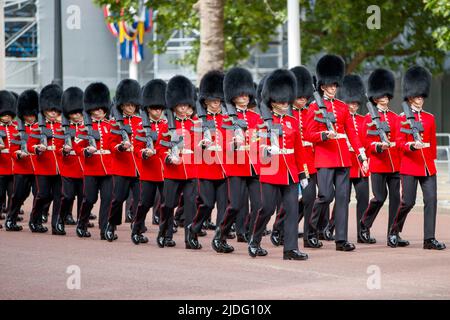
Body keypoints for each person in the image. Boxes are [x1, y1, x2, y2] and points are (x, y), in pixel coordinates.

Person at [305, 54, 368, 251]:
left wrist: (361, 155)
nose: (333, 88)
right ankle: (310, 231)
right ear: (323, 85)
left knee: (342, 198)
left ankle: (341, 239)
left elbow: (352, 134)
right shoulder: (314, 107)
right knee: (325, 196)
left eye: (335, 85)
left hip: (344, 159)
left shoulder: (342, 107)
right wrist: (324, 135)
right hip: (324, 158)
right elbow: (309, 133)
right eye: (330, 85)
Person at [248, 69, 309, 260]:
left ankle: (290, 249)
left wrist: (303, 174)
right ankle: (255, 240)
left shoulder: (291, 122)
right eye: (280, 101)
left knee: (291, 210)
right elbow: (255, 147)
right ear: (271, 100)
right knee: (266, 209)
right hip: (270, 171)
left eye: (286, 101)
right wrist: (265, 151)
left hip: (290, 172)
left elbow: (299, 150)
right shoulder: (262, 122)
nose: (284, 105)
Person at [389, 65, 446, 250]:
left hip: (427, 166)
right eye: (417, 96)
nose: (420, 99)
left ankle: (429, 239)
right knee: (408, 202)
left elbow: (432, 142)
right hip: (409, 165)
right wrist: (411, 145)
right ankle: (394, 231)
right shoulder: (401, 118)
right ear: (410, 96)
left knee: (431, 201)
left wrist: (432, 159)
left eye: (422, 96)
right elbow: (398, 142)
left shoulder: (429, 118)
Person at [212, 67, 263, 254]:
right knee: (234, 205)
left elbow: (263, 138)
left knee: (259, 206)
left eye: (246, 94)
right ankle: (221, 235)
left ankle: (254, 240)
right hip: (236, 166)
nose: (244, 97)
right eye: (240, 95)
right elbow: (222, 143)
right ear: (233, 97)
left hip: (255, 166)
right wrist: (233, 144)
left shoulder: (256, 117)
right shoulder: (226, 118)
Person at [359, 69, 403, 245]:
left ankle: (394, 233)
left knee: (396, 200)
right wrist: (378, 146)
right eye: (381, 95)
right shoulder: (369, 118)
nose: (385, 97)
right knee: (379, 197)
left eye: (386, 94)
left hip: (395, 164)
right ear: (375, 98)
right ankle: (364, 224)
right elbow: (366, 142)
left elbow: (400, 139)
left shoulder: (395, 117)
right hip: (378, 162)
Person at [187, 70, 229, 249]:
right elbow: (190, 144)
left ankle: (220, 238)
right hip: (205, 169)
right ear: (205, 101)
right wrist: (201, 144)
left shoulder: (227, 119)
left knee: (224, 206)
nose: (216, 104)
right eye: (212, 101)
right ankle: (193, 228)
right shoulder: (197, 120)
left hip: (224, 168)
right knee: (207, 204)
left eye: (218, 101)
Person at [157, 75, 199, 249]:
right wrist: (168, 157)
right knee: (168, 204)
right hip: (173, 170)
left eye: (186, 105)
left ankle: (191, 237)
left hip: (191, 170)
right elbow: (160, 148)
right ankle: (165, 233)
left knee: (191, 205)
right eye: (180, 105)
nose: (183, 108)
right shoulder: (166, 125)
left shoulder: (195, 123)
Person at [328, 74, 370, 242]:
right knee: (342, 200)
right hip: (345, 162)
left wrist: (365, 158)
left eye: (355, 103)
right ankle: (330, 227)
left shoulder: (363, 120)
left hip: (360, 165)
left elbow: (365, 142)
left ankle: (362, 232)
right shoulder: (338, 118)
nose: (353, 106)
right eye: (350, 103)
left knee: (363, 200)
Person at [105, 79, 143, 242]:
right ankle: (111, 225)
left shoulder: (140, 122)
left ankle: (137, 229)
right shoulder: (115, 122)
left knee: (141, 200)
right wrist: (120, 147)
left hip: (138, 167)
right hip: (122, 167)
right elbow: (110, 143)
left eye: (133, 105)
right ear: (121, 106)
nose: (131, 108)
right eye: (127, 105)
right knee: (118, 199)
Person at [131, 79, 168, 245]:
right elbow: (136, 147)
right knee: (145, 202)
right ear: (147, 108)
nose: (158, 111)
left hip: (166, 170)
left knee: (167, 204)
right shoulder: (141, 125)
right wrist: (144, 153)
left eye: (160, 108)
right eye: (154, 108)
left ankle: (165, 234)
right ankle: (137, 229)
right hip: (149, 170)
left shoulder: (168, 125)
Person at [76, 83, 113, 239]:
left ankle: (105, 229)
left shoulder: (111, 125)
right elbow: (77, 146)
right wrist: (86, 151)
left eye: (101, 109)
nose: (98, 112)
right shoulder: (84, 127)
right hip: (91, 168)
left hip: (109, 169)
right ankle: (82, 224)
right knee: (90, 198)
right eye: (95, 109)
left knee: (107, 199)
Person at [27, 84, 64, 234]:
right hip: (43, 166)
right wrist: (37, 149)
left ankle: (56, 224)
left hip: (59, 167)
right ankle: (34, 219)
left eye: (56, 110)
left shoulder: (63, 126)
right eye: (50, 110)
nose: (53, 113)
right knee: (43, 195)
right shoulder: (37, 127)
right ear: (44, 109)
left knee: (58, 196)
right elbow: (30, 146)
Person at [5, 90, 39, 231]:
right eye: (27, 115)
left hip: (37, 167)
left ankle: (35, 221)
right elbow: (12, 148)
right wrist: (18, 154)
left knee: (40, 195)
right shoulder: (18, 129)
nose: (30, 118)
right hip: (22, 167)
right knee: (18, 195)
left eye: (32, 115)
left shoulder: (40, 128)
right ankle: (10, 220)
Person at [0, 91, 17, 229]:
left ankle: (11, 220)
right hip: (1, 167)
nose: (6, 117)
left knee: (13, 195)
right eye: (3, 114)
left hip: (13, 167)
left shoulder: (16, 127)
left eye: (8, 114)